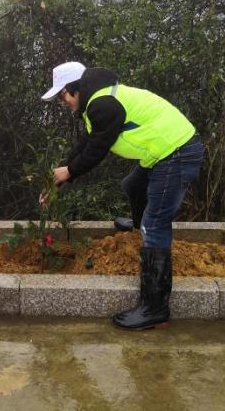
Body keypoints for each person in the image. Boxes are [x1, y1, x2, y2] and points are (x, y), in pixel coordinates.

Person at [40, 62, 203, 330]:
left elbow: (97, 150)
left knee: (155, 223)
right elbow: (86, 145)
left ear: (73, 89)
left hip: (177, 152)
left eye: (62, 96)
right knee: (133, 185)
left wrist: (69, 171)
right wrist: (59, 178)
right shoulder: (99, 101)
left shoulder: (102, 104)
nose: (63, 102)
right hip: (162, 151)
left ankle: (155, 309)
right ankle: (140, 229)